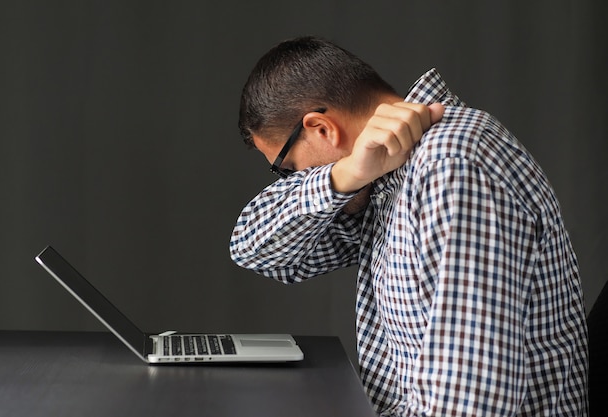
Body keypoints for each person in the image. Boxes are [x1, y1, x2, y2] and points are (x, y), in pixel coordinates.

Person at [229, 36, 588, 416]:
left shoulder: (451, 165)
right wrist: (344, 175)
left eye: (286, 168)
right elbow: (258, 251)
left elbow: (468, 406)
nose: (293, 178)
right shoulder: (384, 178)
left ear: (321, 128)